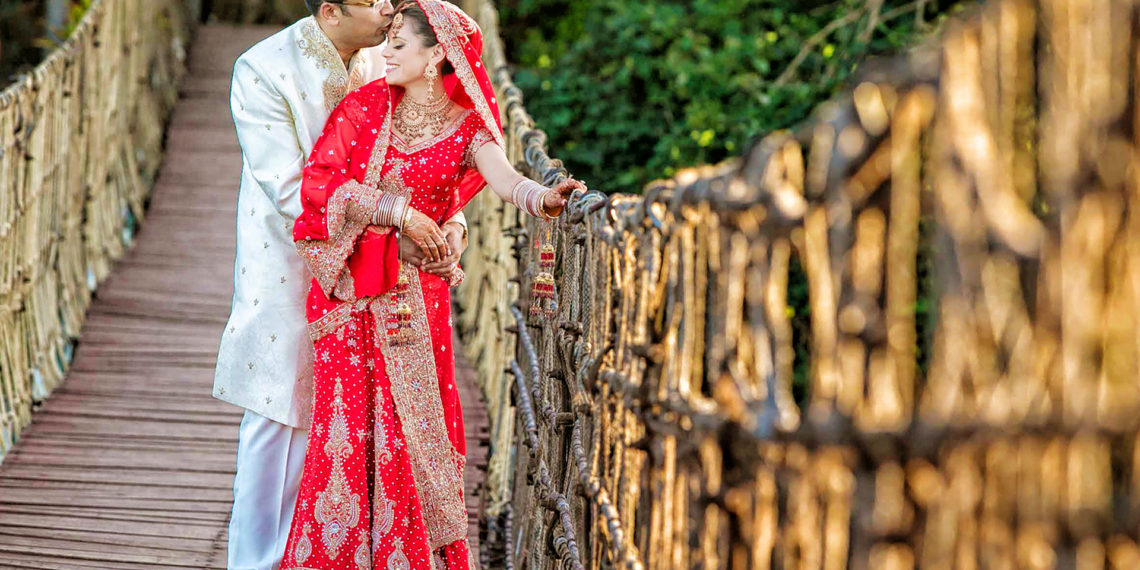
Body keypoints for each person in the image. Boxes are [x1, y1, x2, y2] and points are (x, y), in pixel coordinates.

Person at [278, 1, 583, 567]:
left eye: (398, 44)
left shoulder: (468, 128)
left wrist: (545, 198)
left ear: (437, 54)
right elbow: (320, 187)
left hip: (419, 306)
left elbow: (509, 180)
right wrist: (399, 213)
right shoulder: (365, 105)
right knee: (347, 436)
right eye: (386, 40)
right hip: (354, 296)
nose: (385, 52)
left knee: (415, 435)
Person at [213, 1, 468, 568]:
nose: (388, 7)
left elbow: (435, 137)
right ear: (331, 10)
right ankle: (255, 561)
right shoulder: (263, 69)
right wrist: (394, 229)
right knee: (279, 406)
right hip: (290, 256)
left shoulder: (391, 54)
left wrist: (451, 219)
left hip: (387, 272)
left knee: (362, 408)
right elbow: (287, 189)